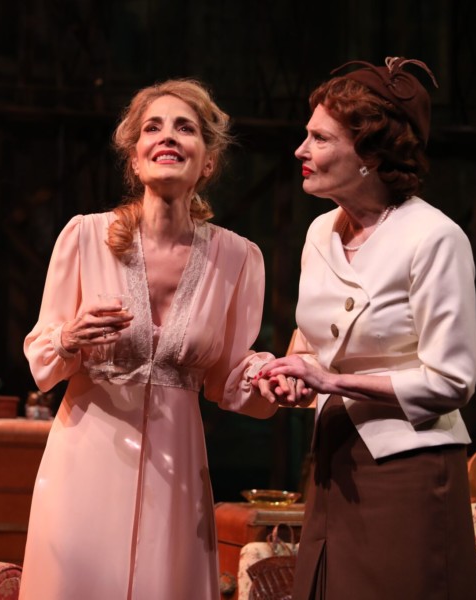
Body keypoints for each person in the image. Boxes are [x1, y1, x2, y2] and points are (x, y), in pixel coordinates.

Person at [21, 79, 287, 599]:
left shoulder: (237, 258)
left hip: (178, 470)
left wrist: (272, 378)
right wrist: (71, 337)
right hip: (84, 465)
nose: (167, 137)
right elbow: (41, 354)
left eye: (184, 128)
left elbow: (229, 379)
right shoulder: (84, 237)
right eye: (153, 128)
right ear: (136, 158)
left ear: (207, 162)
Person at [261, 57, 476, 599]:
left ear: (368, 153)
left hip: (409, 466)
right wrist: (294, 373)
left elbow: (453, 381)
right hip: (334, 461)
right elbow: (313, 338)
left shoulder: (433, 237)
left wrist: (332, 383)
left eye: (319, 138)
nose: (301, 151)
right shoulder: (321, 232)